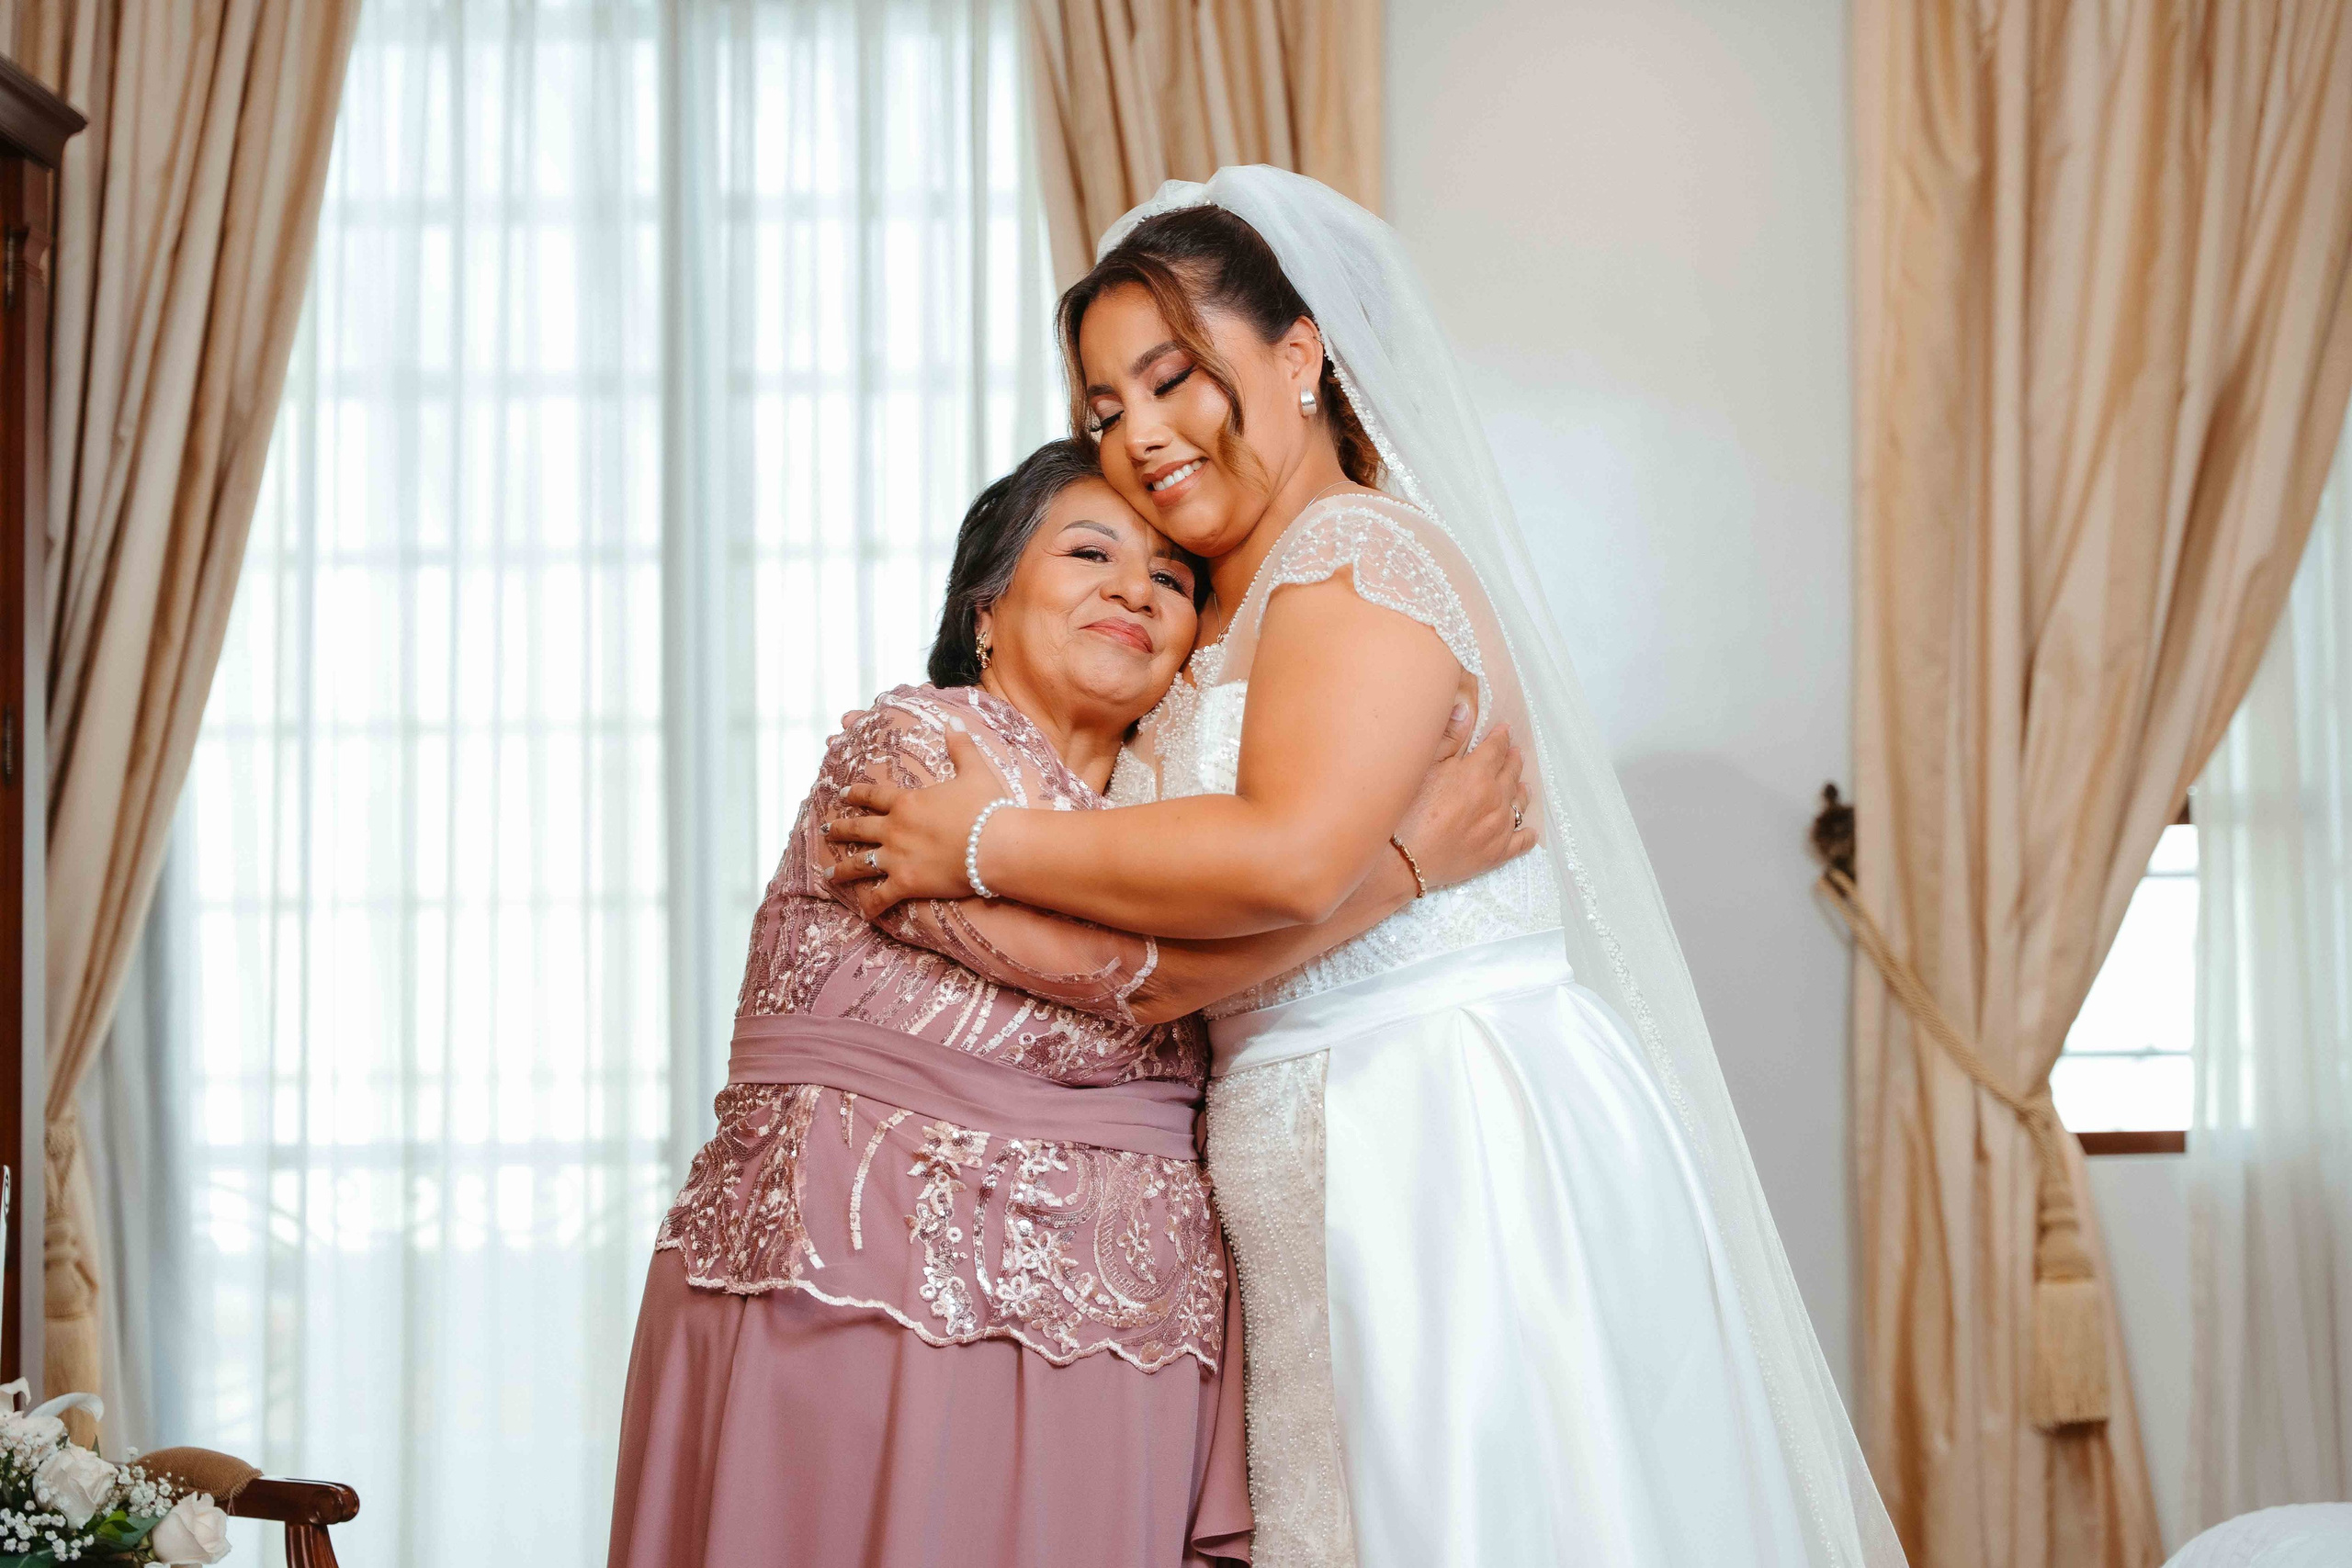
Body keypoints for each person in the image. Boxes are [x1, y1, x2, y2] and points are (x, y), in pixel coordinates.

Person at [824, 170, 1909, 1568]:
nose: (1136, 434)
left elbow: (1281, 859)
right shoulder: (1202, 625)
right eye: (1102, 411)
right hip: (1307, 1157)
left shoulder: (1354, 561)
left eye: (1171, 378)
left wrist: (981, 843)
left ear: (1299, 354)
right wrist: (1400, 866)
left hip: (1439, 1139)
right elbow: (1164, 971)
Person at [606, 435, 1531, 1568]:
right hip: (860, 1296)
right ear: (986, 608)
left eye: (1171, 579)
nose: (1134, 590)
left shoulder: (1180, 830)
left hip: (1130, 1341)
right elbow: (1118, 975)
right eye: (1090, 553)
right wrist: (1400, 867)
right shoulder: (910, 751)